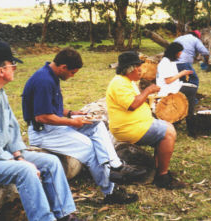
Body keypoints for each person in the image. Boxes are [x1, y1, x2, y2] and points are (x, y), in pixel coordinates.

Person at [0, 41, 82, 221]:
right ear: (1, 71)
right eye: (13, 65)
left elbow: (11, 127)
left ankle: (65, 214)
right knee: (25, 171)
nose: (15, 68)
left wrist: (18, 155)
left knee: (51, 162)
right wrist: (20, 163)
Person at [22, 47, 145, 205]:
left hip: (53, 126)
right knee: (90, 148)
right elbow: (42, 116)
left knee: (97, 125)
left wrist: (72, 113)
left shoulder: (50, 75)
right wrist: (72, 122)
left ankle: (115, 165)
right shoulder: (44, 81)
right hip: (43, 132)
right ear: (63, 67)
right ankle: (110, 191)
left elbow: (51, 108)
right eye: (72, 72)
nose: (72, 76)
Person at [106, 51, 185, 190]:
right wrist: (148, 91)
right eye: (139, 67)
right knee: (168, 133)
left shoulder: (127, 82)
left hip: (137, 124)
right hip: (128, 128)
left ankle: (157, 169)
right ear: (131, 68)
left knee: (167, 126)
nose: (141, 70)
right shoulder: (119, 83)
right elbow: (132, 105)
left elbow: (136, 101)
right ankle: (162, 176)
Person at [156, 42, 195, 115]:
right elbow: (168, 81)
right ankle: (189, 115)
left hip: (172, 86)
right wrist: (182, 73)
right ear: (175, 53)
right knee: (191, 90)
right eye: (179, 53)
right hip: (167, 89)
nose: (180, 55)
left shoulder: (170, 62)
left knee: (191, 87)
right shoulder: (165, 62)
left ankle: (188, 112)